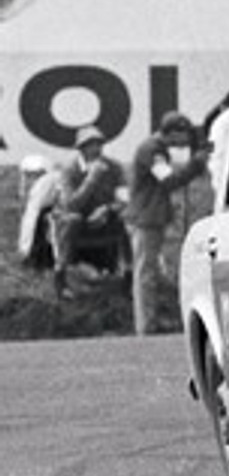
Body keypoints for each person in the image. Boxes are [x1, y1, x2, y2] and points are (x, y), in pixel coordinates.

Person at [127, 112, 208, 334]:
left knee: (149, 271)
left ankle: (149, 321)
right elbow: (169, 180)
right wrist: (196, 165)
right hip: (146, 218)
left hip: (151, 217)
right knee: (146, 273)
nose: (186, 140)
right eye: (183, 134)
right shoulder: (151, 150)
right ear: (172, 132)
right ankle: (146, 325)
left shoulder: (155, 148)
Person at [51, 126, 128, 298]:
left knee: (129, 219)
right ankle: (61, 278)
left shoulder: (114, 167)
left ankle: (129, 275)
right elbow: (71, 204)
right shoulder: (69, 171)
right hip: (75, 219)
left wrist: (107, 209)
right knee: (72, 220)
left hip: (104, 217)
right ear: (81, 149)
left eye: (99, 144)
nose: (96, 149)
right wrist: (92, 179)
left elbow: (124, 198)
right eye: (90, 145)